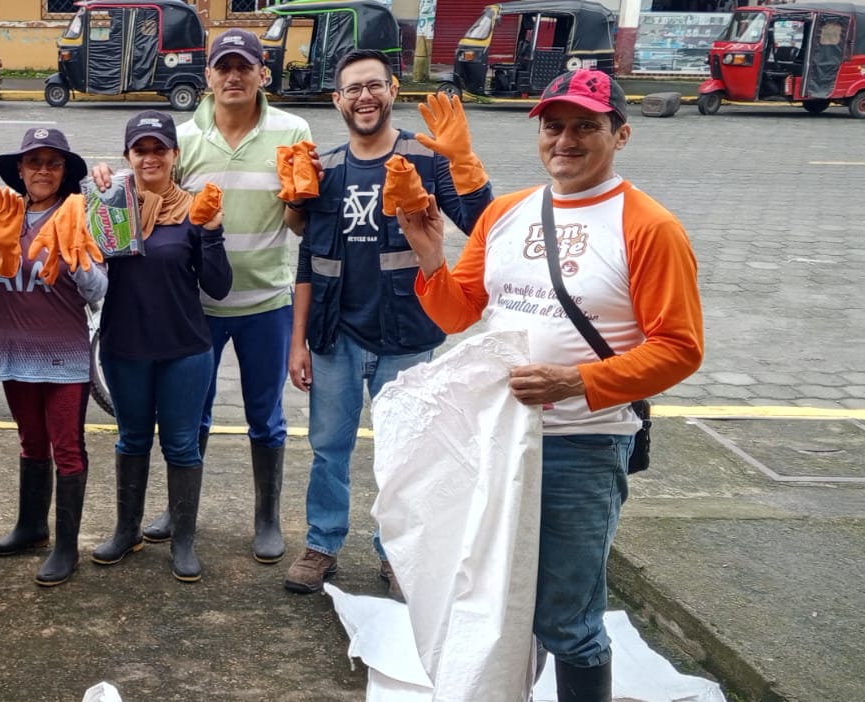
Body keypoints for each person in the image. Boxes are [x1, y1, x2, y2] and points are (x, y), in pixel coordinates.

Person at [391, 69, 704, 701]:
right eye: (554, 126)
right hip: (496, 441)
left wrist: (575, 381)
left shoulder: (649, 227)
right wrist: (430, 256)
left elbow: (679, 349)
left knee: (567, 618)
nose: (566, 140)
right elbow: (457, 314)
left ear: (620, 134)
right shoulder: (506, 214)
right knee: (494, 599)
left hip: (582, 447)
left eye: (586, 126)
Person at [281, 49, 495, 598]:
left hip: (405, 334)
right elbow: (308, 260)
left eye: (374, 85)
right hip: (334, 335)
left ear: (393, 90)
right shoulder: (325, 168)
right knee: (328, 447)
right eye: (352, 88)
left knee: (405, 454)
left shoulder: (425, 159)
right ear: (338, 100)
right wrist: (297, 342)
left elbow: (481, 224)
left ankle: (397, 553)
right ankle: (322, 543)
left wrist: (464, 161)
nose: (364, 97)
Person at [95, 28, 311, 564]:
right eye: (224, 67)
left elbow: (299, 218)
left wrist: (303, 199)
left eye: (244, 67)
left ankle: (266, 518)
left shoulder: (292, 130)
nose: (234, 77)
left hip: (266, 299)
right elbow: (148, 182)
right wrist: (104, 178)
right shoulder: (186, 138)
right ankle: (178, 513)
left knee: (266, 415)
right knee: (191, 418)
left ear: (262, 73)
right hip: (197, 308)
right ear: (208, 76)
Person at [91, 110, 231, 583]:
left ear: (174, 154)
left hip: (184, 349)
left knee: (181, 445)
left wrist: (212, 231)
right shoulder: (110, 205)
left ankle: (183, 539)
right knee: (132, 439)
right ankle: (126, 530)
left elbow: (218, 287)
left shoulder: (194, 208)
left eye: (158, 149)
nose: (149, 157)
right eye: (140, 150)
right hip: (124, 345)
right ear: (127, 156)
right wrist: (95, 189)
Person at [0, 127, 106, 587]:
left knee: (67, 449)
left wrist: (77, 257)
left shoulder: (77, 213)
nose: (43, 171)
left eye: (53, 163)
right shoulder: (5, 214)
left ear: (63, 171)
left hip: (64, 358)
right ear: (20, 169)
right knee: (31, 443)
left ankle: (66, 547)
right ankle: (31, 526)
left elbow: (99, 291)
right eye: (34, 162)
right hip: (15, 354)